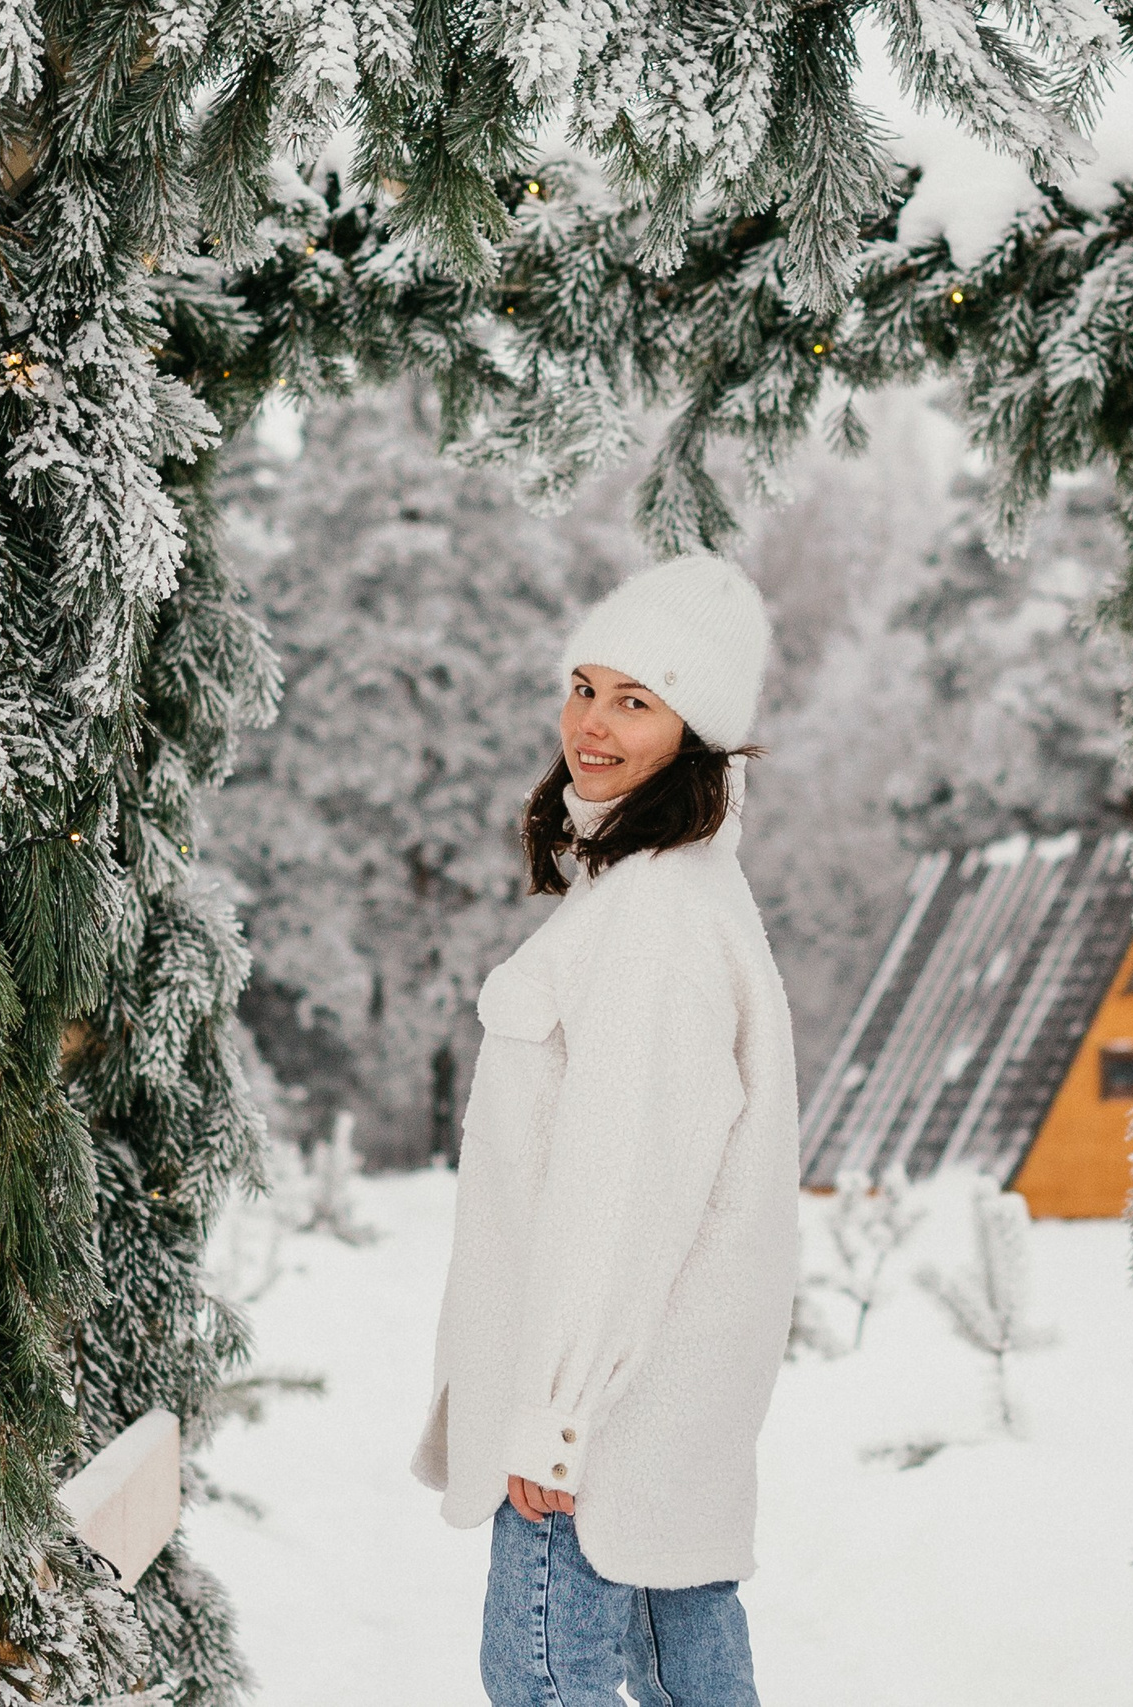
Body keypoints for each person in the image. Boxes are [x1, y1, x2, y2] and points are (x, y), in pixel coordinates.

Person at [410, 551, 799, 1707]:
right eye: (586, 686)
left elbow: (620, 1187)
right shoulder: (662, 893)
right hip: (649, 1416)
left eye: (636, 702)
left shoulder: (656, 920)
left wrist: (558, 1418)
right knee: (688, 1675)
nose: (592, 723)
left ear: (696, 729)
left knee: (540, 1681)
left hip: (596, 1430)